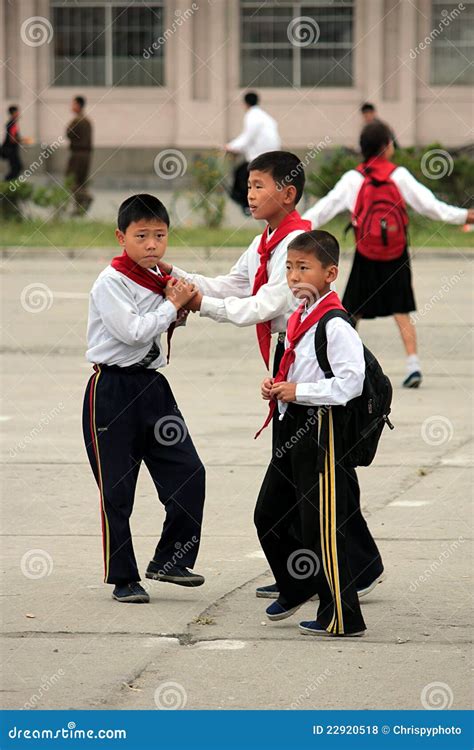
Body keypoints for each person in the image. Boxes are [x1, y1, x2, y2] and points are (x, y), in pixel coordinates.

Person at [157, 151, 384, 602]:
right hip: (289, 357)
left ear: (288, 193)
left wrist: (199, 304)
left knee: (314, 474)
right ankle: (345, 566)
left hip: (313, 360)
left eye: (259, 185)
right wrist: (172, 273)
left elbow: (264, 306)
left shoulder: (297, 244)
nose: (250, 192)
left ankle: (323, 573)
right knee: (315, 474)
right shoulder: (266, 240)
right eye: (249, 185)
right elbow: (234, 284)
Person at [82, 194, 206, 603]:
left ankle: (171, 559)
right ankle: (123, 577)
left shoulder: (159, 277)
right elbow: (134, 331)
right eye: (141, 236)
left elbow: (187, 295)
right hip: (112, 391)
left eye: (160, 235)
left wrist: (175, 308)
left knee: (189, 471)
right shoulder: (111, 282)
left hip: (153, 388)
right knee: (118, 490)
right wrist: (172, 307)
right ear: (121, 237)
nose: (152, 244)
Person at [255, 230, 367, 637]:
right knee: (268, 515)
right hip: (292, 424)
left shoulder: (334, 323)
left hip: (320, 429)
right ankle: (297, 583)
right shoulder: (301, 313)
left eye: (304, 268)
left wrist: (299, 391)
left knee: (320, 526)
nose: (294, 276)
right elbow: (300, 369)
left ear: (330, 273)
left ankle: (342, 616)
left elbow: (351, 382)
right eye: (289, 267)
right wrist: (278, 388)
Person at [303, 122, 474, 388]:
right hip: (395, 253)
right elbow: (431, 207)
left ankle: (333, 364)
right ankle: (413, 364)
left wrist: (296, 227)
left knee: (351, 312)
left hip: (366, 253)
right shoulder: (399, 175)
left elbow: (324, 209)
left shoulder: (353, 179)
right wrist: (465, 215)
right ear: (386, 146)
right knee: (401, 309)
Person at [225, 92, 281, 214]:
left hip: (260, 157)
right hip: (272, 156)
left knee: (240, 175)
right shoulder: (265, 117)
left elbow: (247, 138)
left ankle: (248, 205)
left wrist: (230, 147)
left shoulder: (252, 116)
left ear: (245, 104)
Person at [66, 96, 93, 214]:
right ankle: (79, 208)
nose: (71, 107)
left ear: (78, 105)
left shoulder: (77, 120)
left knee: (71, 179)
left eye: (73, 104)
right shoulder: (88, 121)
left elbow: (68, 133)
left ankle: (86, 198)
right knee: (81, 181)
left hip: (77, 154)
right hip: (86, 155)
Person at [1, 105, 32, 181]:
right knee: (17, 167)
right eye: (17, 112)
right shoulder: (12, 124)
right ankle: (6, 184)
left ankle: (8, 184)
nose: (19, 113)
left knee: (16, 167)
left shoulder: (12, 123)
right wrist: (24, 140)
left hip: (12, 149)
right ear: (13, 113)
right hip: (11, 149)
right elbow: (12, 139)